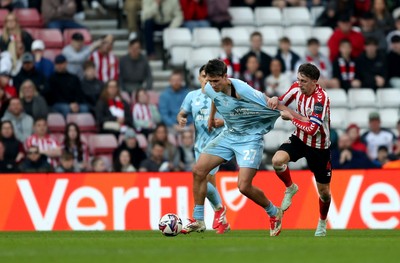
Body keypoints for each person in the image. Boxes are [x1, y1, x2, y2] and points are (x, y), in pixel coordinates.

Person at [182, 59, 290, 236]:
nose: (212, 85)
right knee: (198, 171)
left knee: (244, 186)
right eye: (210, 81)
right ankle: (199, 220)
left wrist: (283, 113)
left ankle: (273, 212)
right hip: (229, 134)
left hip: (249, 138)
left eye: (216, 81)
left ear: (226, 77)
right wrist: (211, 117)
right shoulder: (209, 88)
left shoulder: (242, 88)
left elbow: (265, 102)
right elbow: (216, 98)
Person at [269, 63, 332, 237]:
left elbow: (312, 129)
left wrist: (291, 116)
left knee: (324, 193)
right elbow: (282, 102)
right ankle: (290, 187)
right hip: (299, 139)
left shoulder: (321, 99)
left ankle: (321, 222)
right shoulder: (297, 88)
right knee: (277, 161)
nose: (299, 83)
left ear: (314, 81)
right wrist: (275, 98)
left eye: (303, 81)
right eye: (298, 80)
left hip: (319, 147)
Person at [177, 65, 230, 234]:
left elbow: (235, 117)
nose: (206, 79)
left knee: (205, 180)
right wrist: (181, 119)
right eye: (203, 76)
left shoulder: (221, 95)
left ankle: (206, 217)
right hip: (199, 146)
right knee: (205, 183)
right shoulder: (192, 96)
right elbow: (182, 113)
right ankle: (222, 218)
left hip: (217, 144)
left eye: (209, 76)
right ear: (199, 78)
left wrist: (222, 122)